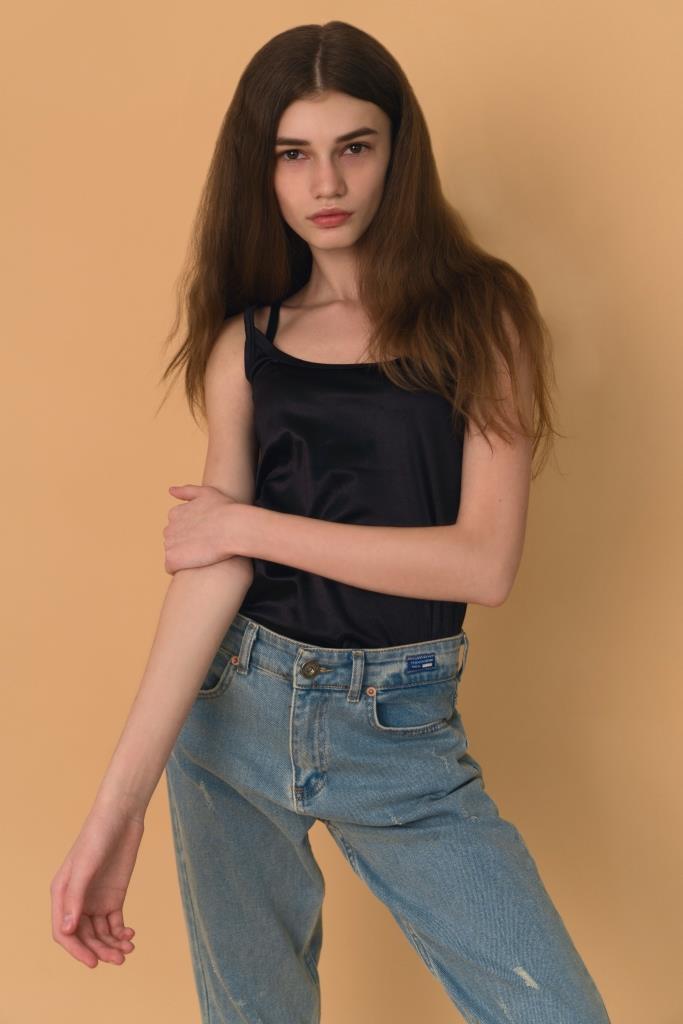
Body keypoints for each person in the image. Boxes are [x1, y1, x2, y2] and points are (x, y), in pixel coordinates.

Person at [50, 20, 612, 1024]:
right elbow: (207, 571)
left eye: (354, 146)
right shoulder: (246, 345)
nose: (326, 182)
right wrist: (114, 810)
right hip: (233, 711)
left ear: (397, 151)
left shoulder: (481, 317)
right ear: (260, 169)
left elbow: (481, 563)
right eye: (293, 154)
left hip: (399, 729)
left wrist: (251, 527)